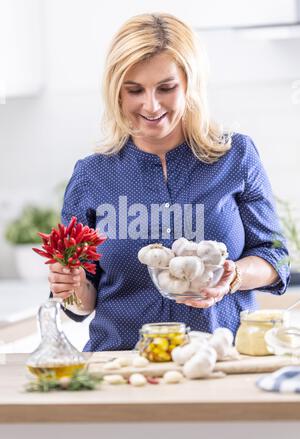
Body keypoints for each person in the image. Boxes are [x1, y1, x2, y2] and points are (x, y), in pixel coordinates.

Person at [48, 13, 290, 352]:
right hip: (122, 368)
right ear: (116, 91)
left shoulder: (235, 157)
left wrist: (232, 277)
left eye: (166, 88)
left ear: (190, 85)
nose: (151, 105)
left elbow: (274, 256)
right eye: (135, 90)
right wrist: (70, 286)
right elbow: (81, 302)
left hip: (218, 365)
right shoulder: (92, 176)